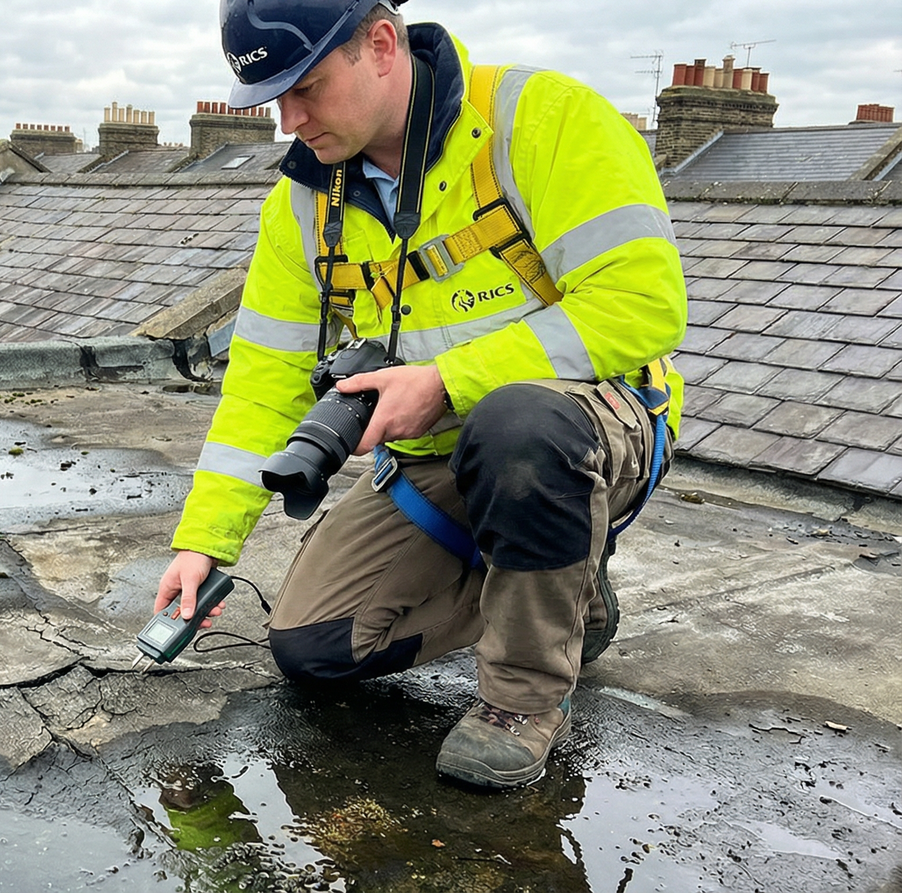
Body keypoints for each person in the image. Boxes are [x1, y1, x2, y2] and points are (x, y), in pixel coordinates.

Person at [156, 0, 685, 790]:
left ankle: (523, 701)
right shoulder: (302, 203)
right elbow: (261, 385)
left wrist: (447, 383)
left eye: (306, 85)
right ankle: (568, 588)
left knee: (517, 424)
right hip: (436, 459)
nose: (288, 119)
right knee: (315, 647)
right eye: (271, 99)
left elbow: (643, 303)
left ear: (378, 44)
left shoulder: (546, 118)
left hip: (582, 428)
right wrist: (203, 544)